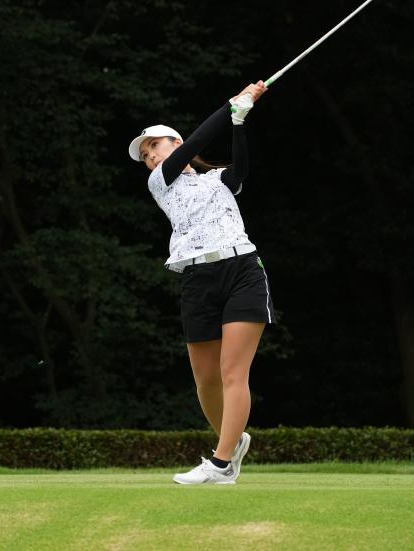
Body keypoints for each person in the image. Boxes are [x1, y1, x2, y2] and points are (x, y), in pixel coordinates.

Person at [127, 81, 274, 484]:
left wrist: (239, 120)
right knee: (206, 381)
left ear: (173, 142)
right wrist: (232, 104)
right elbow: (196, 141)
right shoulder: (161, 183)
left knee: (232, 372)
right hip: (196, 278)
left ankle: (221, 464)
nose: (151, 156)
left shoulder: (218, 180)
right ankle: (233, 440)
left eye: (155, 146)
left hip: (242, 270)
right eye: (145, 155)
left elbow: (240, 170)